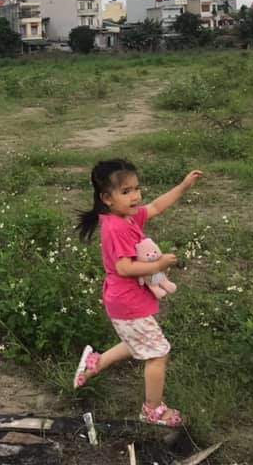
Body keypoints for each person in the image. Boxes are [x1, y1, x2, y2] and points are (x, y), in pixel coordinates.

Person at [72, 159, 202, 427]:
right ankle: (152, 411)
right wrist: (158, 265)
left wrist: (182, 187)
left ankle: (94, 363)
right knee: (158, 353)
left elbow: (155, 207)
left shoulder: (125, 217)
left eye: (136, 188)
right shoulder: (116, 227)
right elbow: (124, 267)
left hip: (126, 301)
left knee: (136, 341)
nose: (135, 196)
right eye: (126, 191)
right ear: (106, 198)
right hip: (127, 301)